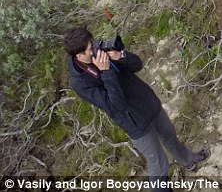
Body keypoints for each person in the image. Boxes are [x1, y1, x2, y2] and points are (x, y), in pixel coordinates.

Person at [64, 27, 209, 181]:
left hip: (148, 103)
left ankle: (188, 160)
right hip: (135, 122)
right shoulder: (80, 82)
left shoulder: (101, 52)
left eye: (92, 43)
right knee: (158, 164)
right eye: (89, 48)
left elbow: (137, 65)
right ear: (79, 56)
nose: (94, 48)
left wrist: (120, 55)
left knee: (169, 135)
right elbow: (116, 106)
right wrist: (106, 71)